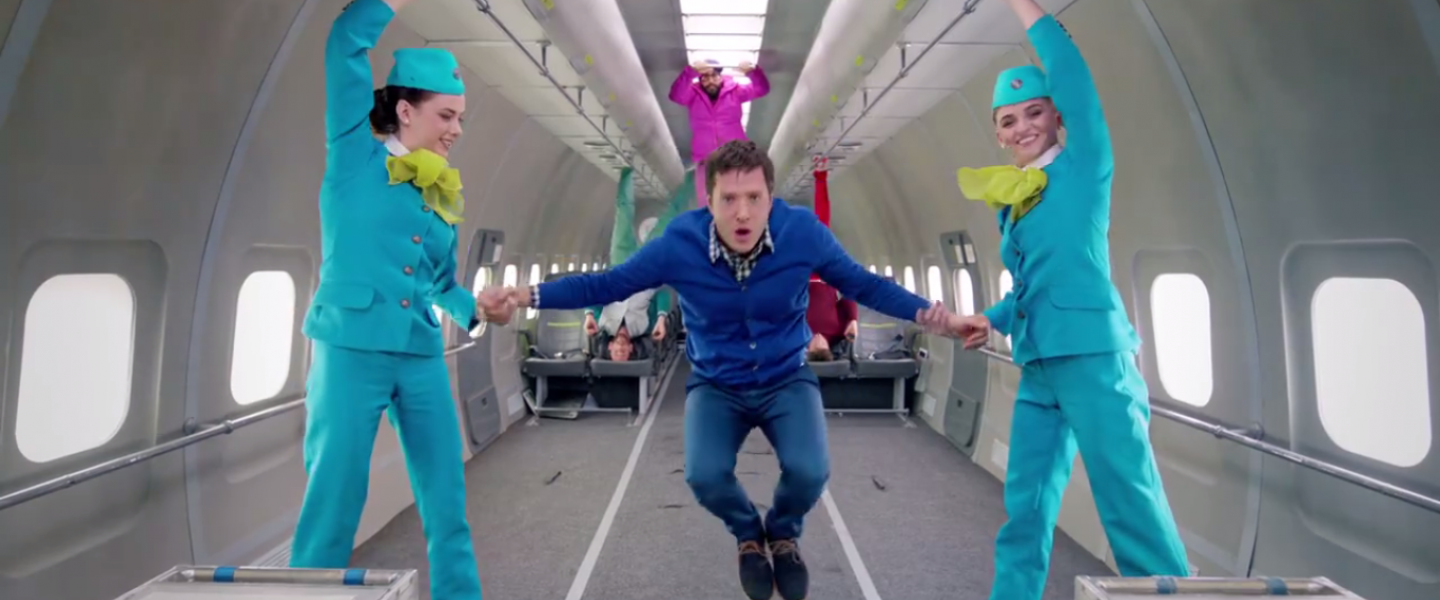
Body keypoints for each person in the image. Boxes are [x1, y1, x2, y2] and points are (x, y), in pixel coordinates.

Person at [478, 140, 955, 600]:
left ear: (771, 197)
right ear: (709, 201)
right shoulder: (678, 245)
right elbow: (606, 284)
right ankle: (748, 534)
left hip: (786, 377)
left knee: (810, 472)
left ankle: (782, 533)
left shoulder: (803, 234)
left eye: (754, 198)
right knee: (705, 477)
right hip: (717, 384)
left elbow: (865, 285)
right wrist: (525, 295)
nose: (742, 212)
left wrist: (934, 315)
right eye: (729, 199)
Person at [948, 1, 1192, 599]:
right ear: (998, 134)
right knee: (1024, 511)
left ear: (1057, 115)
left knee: (1130, 507)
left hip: (1094, 360)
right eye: (1008, 120)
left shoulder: (1085, 168)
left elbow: (1073, 74)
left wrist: (1023, 8)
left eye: (1034, 112)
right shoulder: (1013, 200)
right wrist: (991, 318)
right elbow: (1032, 284)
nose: (1022, 127)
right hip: (1039, 367)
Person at [289, 0, 493, 598]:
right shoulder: (354, 150)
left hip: (420, 352)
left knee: (448, 504)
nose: (456, 129)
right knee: (334, 504)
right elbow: (345, 42)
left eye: (461, 118)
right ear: (405, 111)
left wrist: (479, 309)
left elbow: (438, 282)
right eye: (447, 115)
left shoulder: (440, 187)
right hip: (350, 348)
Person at [583, 166, 695, 360]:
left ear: (609, 346)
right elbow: (662, 294)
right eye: (623, 352)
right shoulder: (643, 327)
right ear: (630, 349)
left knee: (623, 213)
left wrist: (589, 315)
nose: (620, 348)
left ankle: (627, 168)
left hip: (621, 263)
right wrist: (661, 318)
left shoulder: (603, 324)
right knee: (672, 218)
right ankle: (694, 176)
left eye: (616, 351)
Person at [669, 59, 770, 208]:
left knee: (737, 196)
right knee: (707, 200)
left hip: (735, 155)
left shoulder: (735, 91)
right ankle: (711, 221)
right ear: (700, 79)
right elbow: (676, 95)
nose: (710, 81)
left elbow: (761, 89)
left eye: (714, 76)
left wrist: (753, 72)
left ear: (721, 76)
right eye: (705, 77)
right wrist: (690, 71)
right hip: (705, 158)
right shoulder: (693, 95)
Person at [802, 156, 857, 362]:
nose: (817, 339)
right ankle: (820, 175)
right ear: (828, 347)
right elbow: (848, 298)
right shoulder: (838, 332)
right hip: (825, 277)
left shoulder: (796, 336)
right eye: (822, 344)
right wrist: (853, 320)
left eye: (813, 345)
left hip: (798, 277)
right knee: (822, 226)